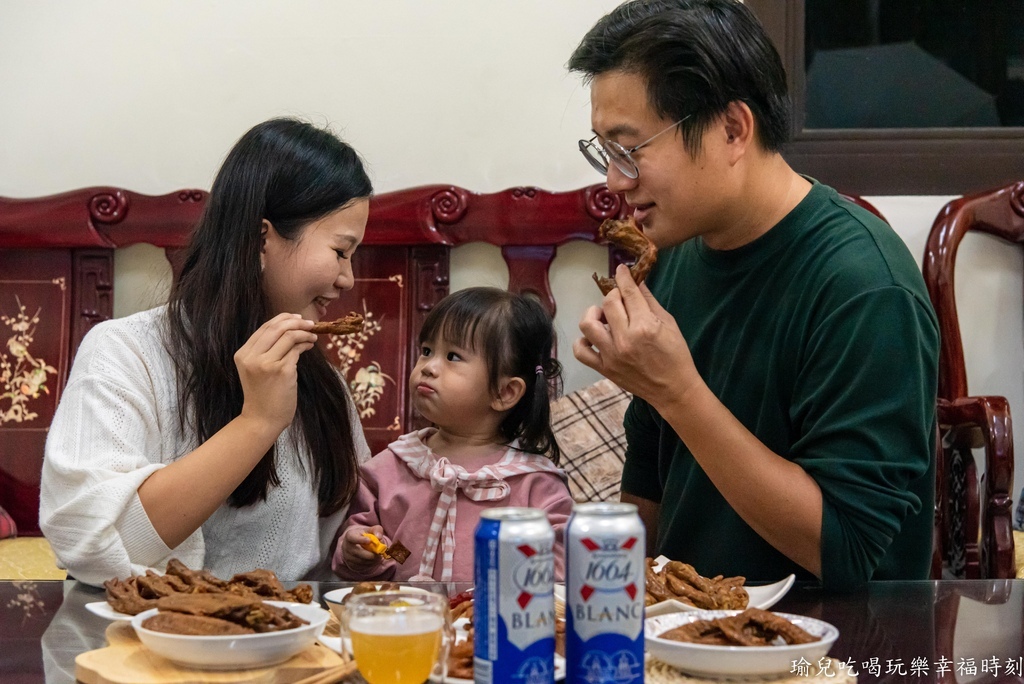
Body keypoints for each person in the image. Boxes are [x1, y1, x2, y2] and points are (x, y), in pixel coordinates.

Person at [568, 0, 939, 588]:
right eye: (606, 152)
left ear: (732, 129)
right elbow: (649, 473)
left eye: (630, 149)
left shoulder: (864, 286)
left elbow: (847, 549)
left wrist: (678, 391)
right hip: (689, 640)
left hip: (834, 657)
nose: (614, 180)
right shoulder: (673, 257)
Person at [39, 118, 373, 586]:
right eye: (341, 251)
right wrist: (256, 423)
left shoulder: (322, 383)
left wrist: (369, 552)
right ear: (262, 239)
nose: (348, 279)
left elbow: (352, 536)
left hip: (297, 645)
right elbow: (94, 543)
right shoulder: (124, 353)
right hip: (148, 643)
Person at [333, 287, 574, 582]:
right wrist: (365, 551)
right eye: (426, 351)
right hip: (405, 622)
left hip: (495, 624)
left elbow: (563, 572)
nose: (428, 367)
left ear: (504, 392)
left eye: (453, 356)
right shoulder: (391, 468)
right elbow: (393, 552)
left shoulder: (535, 484)